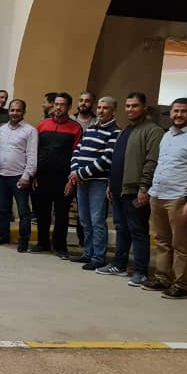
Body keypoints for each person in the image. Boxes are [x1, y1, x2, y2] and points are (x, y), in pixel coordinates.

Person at [143, 98, 187, 299]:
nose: (179, 115)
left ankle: (182, 284)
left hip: (178, 197)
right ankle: (162, 277)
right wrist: (151, 190)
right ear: (170, 113)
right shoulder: (166, 136)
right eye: (176, 111)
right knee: (162, 240)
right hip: (158, 194)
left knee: (180, 243)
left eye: (183, 111)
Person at [96, 92, 164, 288]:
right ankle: (119, 264)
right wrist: (111, 184)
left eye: (134, 106)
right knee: (121, 228)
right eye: (127, 106)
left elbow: (152, 161)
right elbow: (117, 159)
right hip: (119, 188)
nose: (130, 109)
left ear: (144, 108)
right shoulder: (126, 130)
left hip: (135, 190)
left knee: (138, 230)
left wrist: (144, 187)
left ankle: (141, 271)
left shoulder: (153, 131)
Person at [66, 96, 120, 269]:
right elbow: (78, 150)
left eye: (105, 108)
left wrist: (80, 173)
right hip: (82, 181)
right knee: (84, 220)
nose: (101, 111)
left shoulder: (115, 132)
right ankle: (88, 253)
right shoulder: (90, 128)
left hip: (98, 182)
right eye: (99, 108)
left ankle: (98, 257)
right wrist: (74, 170)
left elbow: (107, 159)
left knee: (97, 221)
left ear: (113, 111)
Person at [31, 93, 82, 258]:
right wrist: (33, 175)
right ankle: (42, 243)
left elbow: (77, 155)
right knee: (42, 212)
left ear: (69, 107)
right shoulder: (42, 125)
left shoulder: (76, 128)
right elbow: (35, 150)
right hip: (42, 176)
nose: (58, 107)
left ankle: (60, 246)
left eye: (62, 105)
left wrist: (72, 179)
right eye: (56, 104)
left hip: (63, 179)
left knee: (61, 214)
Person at [0, 99, 37, 251]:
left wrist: (27, 176)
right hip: (2, 175)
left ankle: (23, 241)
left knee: (23, 211)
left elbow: (32, 155)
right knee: (3, 209)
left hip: (19, 177)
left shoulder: (30, 131)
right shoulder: (2, 129)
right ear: (8, 111)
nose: (14, 113)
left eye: (18, 110)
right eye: (12, 110)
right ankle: (3, 236)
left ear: (24, 112)